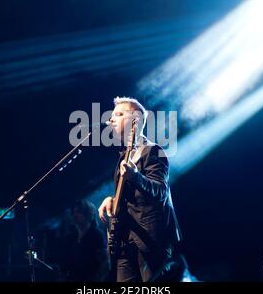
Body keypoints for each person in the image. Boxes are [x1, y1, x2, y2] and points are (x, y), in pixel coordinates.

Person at [98, 96, 182, 282]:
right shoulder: (123, 156)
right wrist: (111, 199)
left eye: (118, 115)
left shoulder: (153, 150)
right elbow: (130, 195)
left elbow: (160, 191)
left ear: (135, 120)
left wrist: (136, 176)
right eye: (111, 116)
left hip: (150, 238)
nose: (110, 120)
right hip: (124, 238)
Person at [58, 199, 108, 282]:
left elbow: (105, 264)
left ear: (87, 213)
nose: (75, 215)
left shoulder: (96, 235)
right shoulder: (71, 237)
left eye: (78, 212)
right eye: (73, 212)